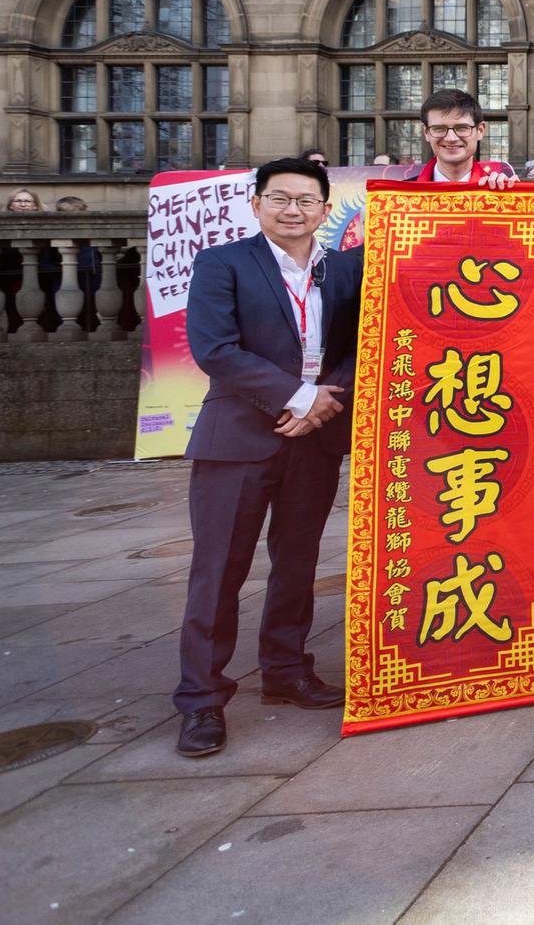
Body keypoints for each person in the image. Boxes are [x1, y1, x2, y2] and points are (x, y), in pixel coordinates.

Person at [172, 158, 364, 757]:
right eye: (279, 198)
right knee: (219, 569)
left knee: (298, 561)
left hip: (315, 439)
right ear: (256, 205)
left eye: (306, 201)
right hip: (238, 440)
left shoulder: (346, 269)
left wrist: (327, 401)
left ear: (325, 211)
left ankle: (286, 669)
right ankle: (201, 699)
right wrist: (299, 395)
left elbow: (371, 338)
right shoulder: (223, 263)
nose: (292, 210)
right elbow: (215, 349)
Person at [416, 89, 515, 188]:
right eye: (439, 129)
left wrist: (514, 193)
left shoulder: (498, 191)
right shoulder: (402, 195)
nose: (451, 138)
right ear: (426, 133)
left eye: (462, 128)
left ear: (480, 130)